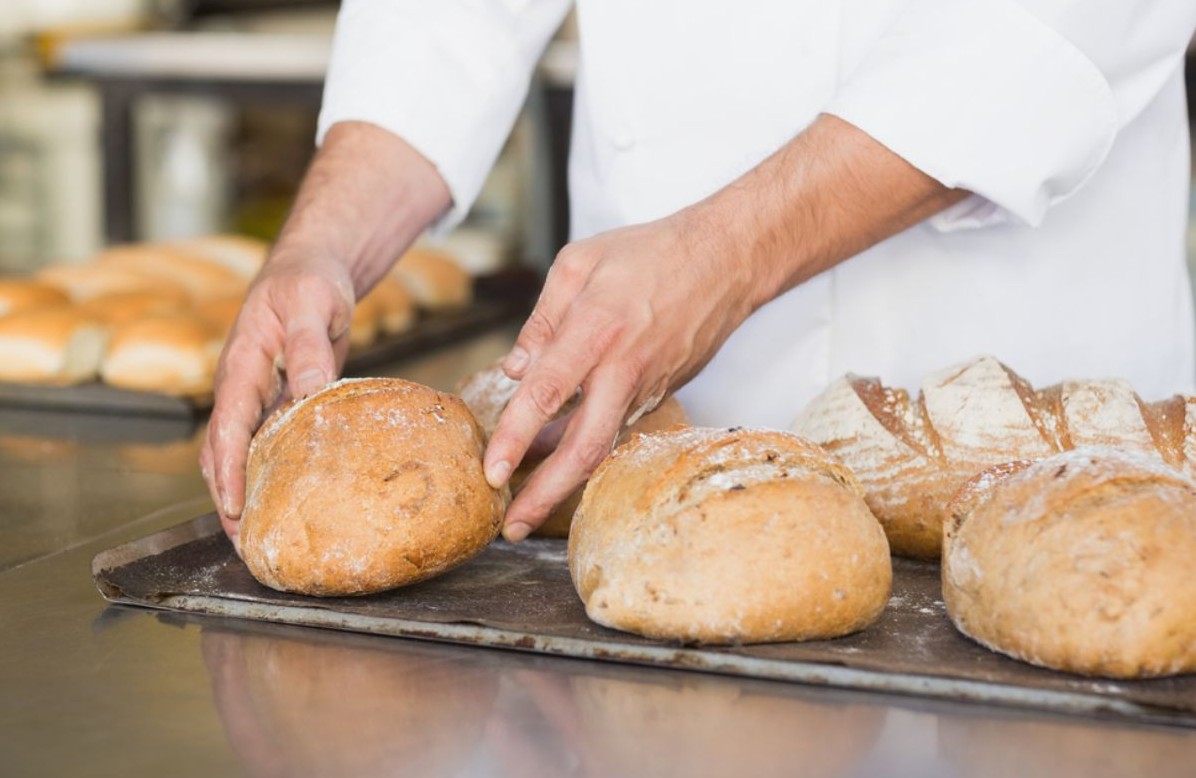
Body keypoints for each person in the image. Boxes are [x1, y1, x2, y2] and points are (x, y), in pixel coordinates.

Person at [201, 2, 1196, 547]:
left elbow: (1044, 33)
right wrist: (323, 242)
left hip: (1043, 448)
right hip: (645, 464)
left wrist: (723, 255)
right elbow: (448, 22)